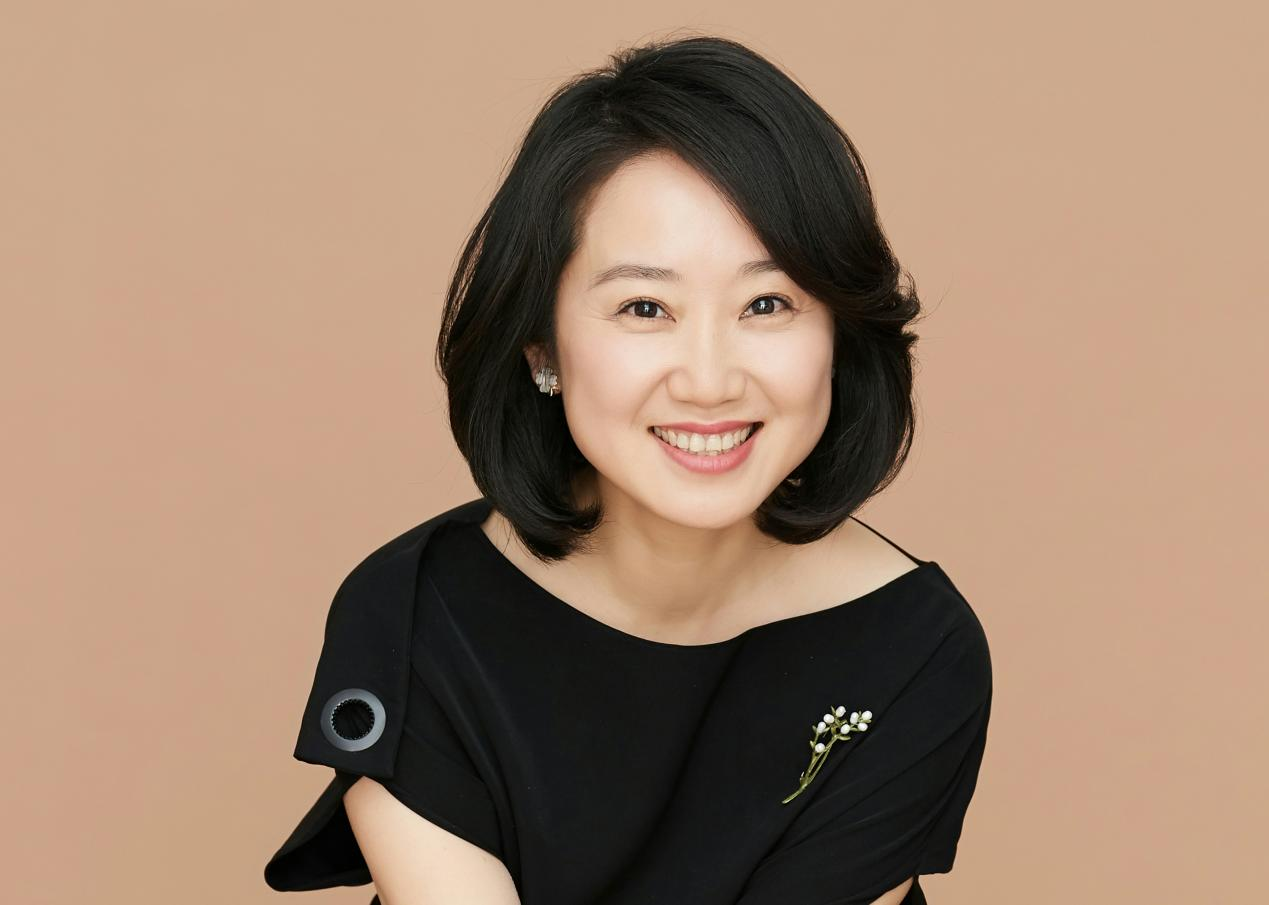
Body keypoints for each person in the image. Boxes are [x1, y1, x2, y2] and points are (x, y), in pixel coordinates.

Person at [263, 33, 992, 905]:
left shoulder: (912, 649)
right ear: (541, 346)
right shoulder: (417, 619)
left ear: (838, 331)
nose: (709, 380)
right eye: (645, 307)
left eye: (767, 303)